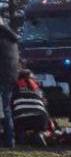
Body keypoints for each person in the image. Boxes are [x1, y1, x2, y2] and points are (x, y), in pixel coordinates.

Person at [11, 69, 51, 146]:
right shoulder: (38, 89)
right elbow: (45, 104)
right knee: (40, 118)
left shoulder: (15, 87)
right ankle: (38, 134)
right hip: (41, 118)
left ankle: (21, 137)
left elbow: (11, 105)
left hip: (22, 119)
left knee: (19, 125)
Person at [0, 16, 19, 148]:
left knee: (4, 109)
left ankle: (8, 139)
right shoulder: (11, 37)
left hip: (2, 76)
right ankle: (9, 139)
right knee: (6, 108)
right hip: (11, 77)